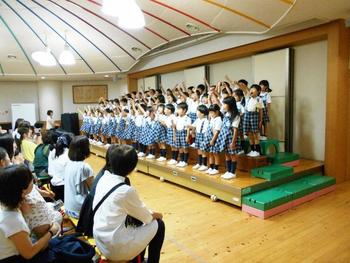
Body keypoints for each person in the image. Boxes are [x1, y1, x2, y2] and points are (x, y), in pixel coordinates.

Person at [93, 145, 165, 262]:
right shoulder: (126, 191)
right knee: (159, 225)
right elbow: (147, 217)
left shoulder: (104, 178)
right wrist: (159, 215)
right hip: (114, 249)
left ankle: (139, 258)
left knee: (137, 223)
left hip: (100, 239)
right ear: (132, 168)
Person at [0, 165, 60, 263]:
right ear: (23, 190)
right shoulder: (13, 219)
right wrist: (51, 232)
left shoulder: (7, 205)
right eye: (31, 180)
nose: (33, 181)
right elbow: (29, 253)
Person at [64, 135, 94, 218]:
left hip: (68, 207)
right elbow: (93, 190)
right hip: (79, 210)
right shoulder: (84, 167)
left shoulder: (68, 164)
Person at [48, 133, 72, 202]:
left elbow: (50, 173)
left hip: (53, 185)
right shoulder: (68, 154)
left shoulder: (53, 152)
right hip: (64, 186)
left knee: (59, 207)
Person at [244, 84, 264, 157]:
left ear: (258, 91)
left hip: (254, 115)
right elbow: (245, 89)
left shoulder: (259, 99)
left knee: (255, 133)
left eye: (253, 89)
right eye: (251, 89)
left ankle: (257, 151)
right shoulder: (248, 98)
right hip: (247, 115)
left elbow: (260, 110)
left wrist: (260, 120)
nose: (251, 90)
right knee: (249, 133)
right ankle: (252, 150)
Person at [190, 105, 209, 170]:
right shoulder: (197, 119)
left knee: (203, 151)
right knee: (199, 150)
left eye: (197, 111)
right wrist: (188, 127)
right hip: (198, 136)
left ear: (202, 113)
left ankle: (204, 165)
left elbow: (206, 131)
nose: (196, 112)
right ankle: (199, 163)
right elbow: (193, 126)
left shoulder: (206, 120)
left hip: (203, 136)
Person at [174, 102, 191, 167]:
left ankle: (185, 161)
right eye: (177, 109)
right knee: (180, 148)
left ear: (184, 110)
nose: (178, 111)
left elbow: (188, 129)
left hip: (184, 133)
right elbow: (175, 127)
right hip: (178, 133)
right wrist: (174, 135)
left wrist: (187, 136)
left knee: (185, 148)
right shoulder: (177, 118)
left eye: (179, 109)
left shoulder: (187, 118)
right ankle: (181, 160)